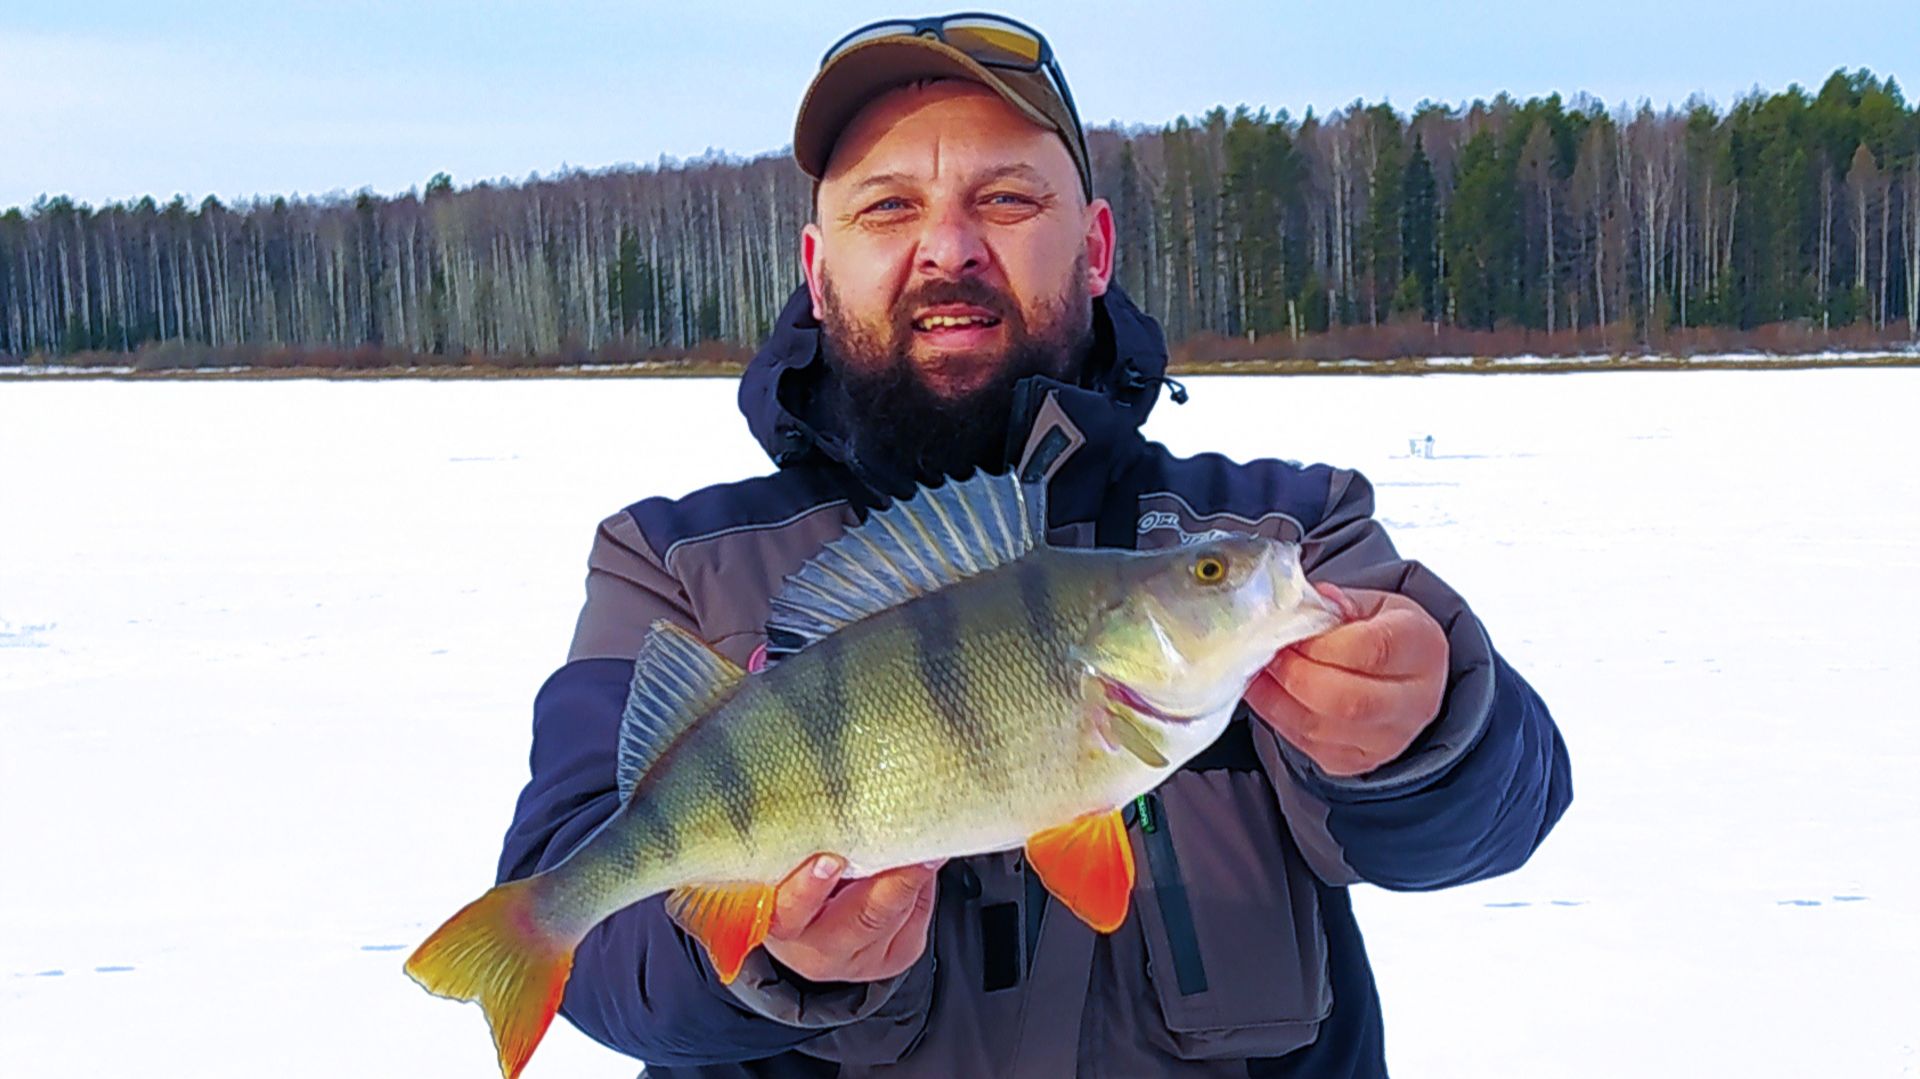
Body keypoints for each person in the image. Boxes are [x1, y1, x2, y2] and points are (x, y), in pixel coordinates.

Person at [498, 13, 1572, 1077]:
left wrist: (1433, 729)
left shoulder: (1277, 532)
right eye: (888, 207)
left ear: (1096, 247)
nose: (950, 247)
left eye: (1007, 198)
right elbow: (587, 930)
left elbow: (1501, 817)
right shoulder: (676, 561)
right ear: (820, 275)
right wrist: (766, 958)